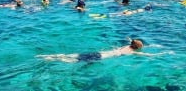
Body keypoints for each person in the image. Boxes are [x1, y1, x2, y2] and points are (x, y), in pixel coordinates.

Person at [36, 39, 169, 63]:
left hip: (99, 52)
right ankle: (49, 59)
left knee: (75, 55)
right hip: (100, 58)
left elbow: (130, 41)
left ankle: (51, 56)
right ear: (137, 48)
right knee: (72, 61)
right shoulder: (131, 52)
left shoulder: (125, 47)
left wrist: (130, 39)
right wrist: (162, 54)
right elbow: (147, 55)